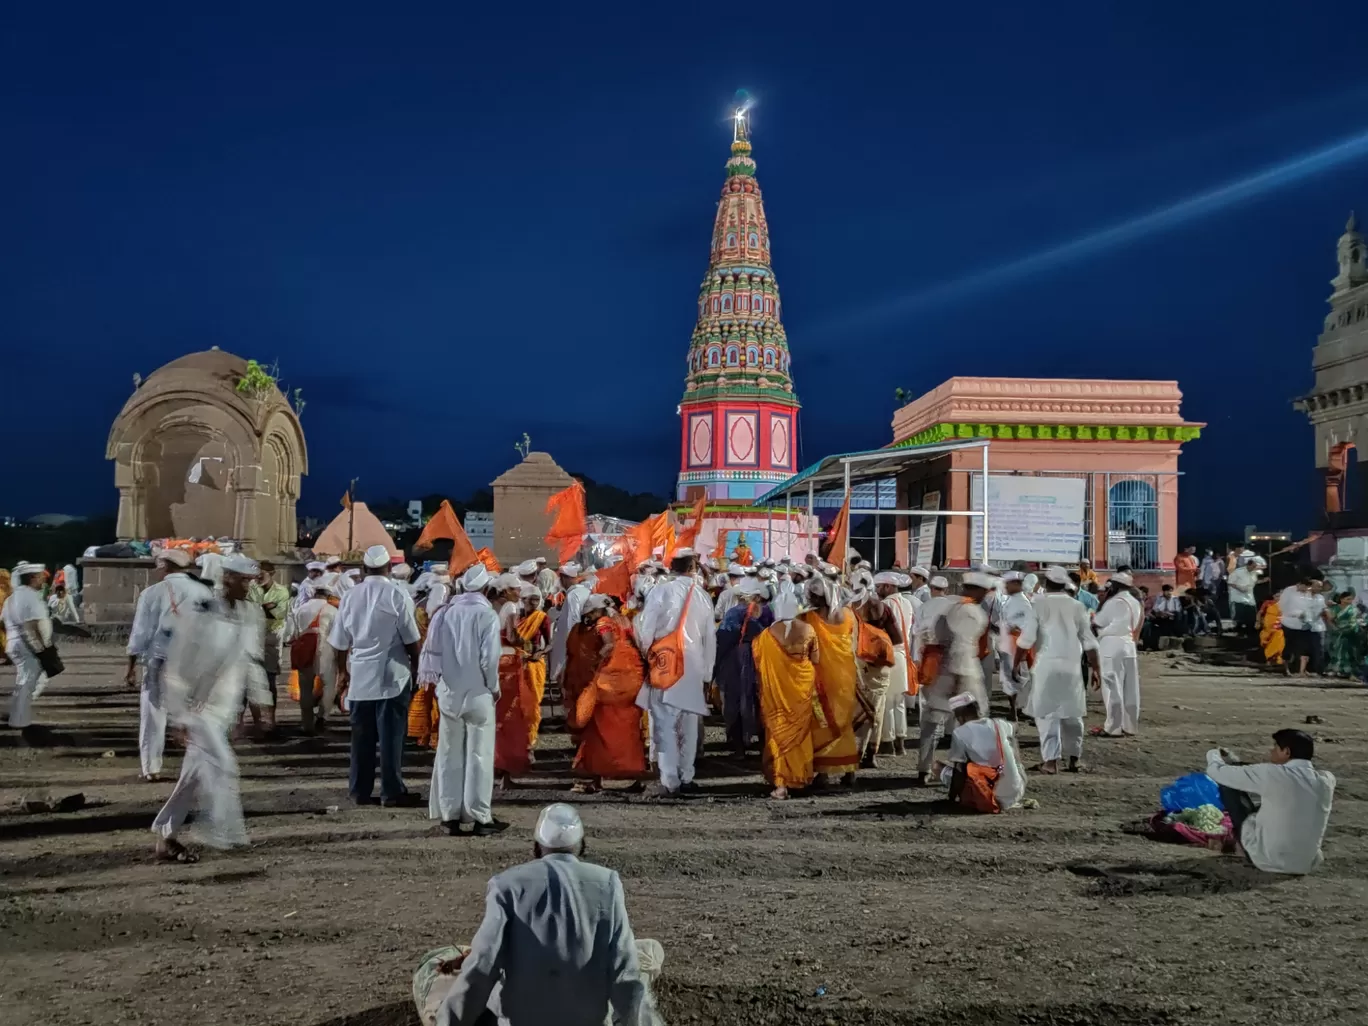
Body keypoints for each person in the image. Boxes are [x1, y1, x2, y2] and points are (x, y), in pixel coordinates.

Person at [432, 804, 660, 1026]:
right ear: (582, 846)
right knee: (650, 950)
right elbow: (625, 975)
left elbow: (482, 967)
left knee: (437, 974)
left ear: (536, 847)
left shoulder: (507, 885)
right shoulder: (607, 883)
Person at [151, 553, 271, 863]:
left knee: (192, 777)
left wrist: (262, 702)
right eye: (243, 579)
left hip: (225, 708)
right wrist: (178, 715)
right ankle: (223, 833)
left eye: (250, 580)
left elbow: (252, 660)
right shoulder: (201, 612)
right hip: (197, 707)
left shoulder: (250, 614)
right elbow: (176, 664)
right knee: (224, 765)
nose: (248, 586)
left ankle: (166, 836)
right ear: (227, 578)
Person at [328, 545, 422, 808]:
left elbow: (339, 643)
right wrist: (417, 667)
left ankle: (359, 790)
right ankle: (391, 791)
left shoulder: (349, 596)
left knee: (361, 738)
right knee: (391, 738)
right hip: (392, 676)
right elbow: (412, 640)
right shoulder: (397, 594)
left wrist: (343, 673)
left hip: (360, 676)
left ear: (363, 569)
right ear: (389, 568)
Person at [423, 563, 507, 836]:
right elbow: (489, 659)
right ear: (485, 588)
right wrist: (494, 688)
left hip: (448, 693)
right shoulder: (486, 615)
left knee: (448, 754)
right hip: (478, 693)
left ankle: (450, 816)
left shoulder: (444, 613)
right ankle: (481, 817)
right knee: (479, 756)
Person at [634, 549, 715, 796]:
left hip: (665, 664)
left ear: (672, 567)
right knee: (689, 726)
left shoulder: (661, 591)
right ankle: (686, 775)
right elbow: (710, 639)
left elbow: (645, 630)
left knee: (665, 724)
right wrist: (707, 675)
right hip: (694, 666)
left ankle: (670, 781)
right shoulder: (702, 596)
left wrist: (649, 655)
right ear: (693, 568)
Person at [126, 548, 210, 780]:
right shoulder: (203, 591)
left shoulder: (152, 593)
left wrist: (131, 665)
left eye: (158, 565)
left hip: (160, 659)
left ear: (165, 566)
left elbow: (140, 633)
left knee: (154, 712)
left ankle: (151, 767)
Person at [1204, 730, 1335, 874]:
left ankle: (1243, 847)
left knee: (1228, 785)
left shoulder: (1272, 773)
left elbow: (1217, 771)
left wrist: (1213, 753)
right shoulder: (1326, 780)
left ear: (1286, 751)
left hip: (1268, 861)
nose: (1271, 751)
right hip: (1305, 864)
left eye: (1275, 747)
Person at [1017, 566, 1100, 774]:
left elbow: (1026, 640)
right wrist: (1096, 669)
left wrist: (1016, 663)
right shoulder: (1077, 606)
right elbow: (1090, 643)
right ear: (1065, 585)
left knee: (1046, 715)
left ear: (1046, 584)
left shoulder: (1037, 604)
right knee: (1073, 713)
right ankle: (1074, 759)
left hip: (1046, 666)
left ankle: (1051, 761)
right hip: (1072, 667)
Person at [914, 573, 992, 785]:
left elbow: (935, 635)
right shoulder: (973, 612)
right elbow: (969, 645)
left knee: (932, 722)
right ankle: (967, 768)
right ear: (976, 590)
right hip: (964, 672)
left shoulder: (949, 608)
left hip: (943, 670)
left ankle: (925, 768)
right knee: (972, 722)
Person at [569, 595, 648, 793]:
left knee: (598, 729)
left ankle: (597, 778)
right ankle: (636, 775)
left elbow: (609, 644)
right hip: (630, 681)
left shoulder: (603, 622)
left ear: (598, 611)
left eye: (590, 614)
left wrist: (595, 663)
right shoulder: (623, 621)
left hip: (610, 684)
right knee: (629, 730)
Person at [752, 591, 817, 799]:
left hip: (776, 695)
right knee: (800, 733)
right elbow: (816, 658)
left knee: (778, 734)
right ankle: (800, 777)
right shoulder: (808, 629)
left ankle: (781, 783)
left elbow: (758, 664)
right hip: (802, 690)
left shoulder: (765, 636)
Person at [799, 576, 860, 788]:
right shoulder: (849, 616)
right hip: (845, 676)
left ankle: (824, 773)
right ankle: (849, 769)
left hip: (820, 679)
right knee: (843, 723)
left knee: (822, 722)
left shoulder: (806, 618)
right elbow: (854, 643)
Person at [933, 692, 1027, 813]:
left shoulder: (960, 733)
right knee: (1011, 742)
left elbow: (959, 772)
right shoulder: (999, 723)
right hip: (1018, 790)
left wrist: (951, 799)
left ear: (959, 716)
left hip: (991, 796)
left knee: (937, 767)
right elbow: (1015, 728)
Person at [714, 578, 773, 758]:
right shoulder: (768, 612)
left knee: (734, 702)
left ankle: (739, 748)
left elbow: (723, 639)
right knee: (761, 702)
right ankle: (764, 747)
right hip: (761, 660)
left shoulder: (733, 613)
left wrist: (714, 666)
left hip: (735, 661)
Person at [850, 579, 902, 769]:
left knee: (857, 710)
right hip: (880, 664)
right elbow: (897, 638)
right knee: (876, 709)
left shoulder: (849, 609)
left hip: (857, 662)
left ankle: (853, 756)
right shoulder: (883, 608)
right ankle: (870, 754)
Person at [2, 562, 55, 741]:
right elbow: (31, 625)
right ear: (32, 578)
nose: (43, 580)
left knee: (24, 680)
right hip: (27, 645)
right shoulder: (30, 597)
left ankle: (15, 715)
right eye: (41, 577)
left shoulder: (12, 597)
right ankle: (19, 721)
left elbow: (2, 621)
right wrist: (42, 649)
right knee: (27, 682)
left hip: (14, 643)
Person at [284, 572, 341, 735]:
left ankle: (307, 723)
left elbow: (290, 636)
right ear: (328, 594)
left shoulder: (300, 608)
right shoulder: (332, 610)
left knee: (306, 687)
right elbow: (338, 636)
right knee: (329, 684)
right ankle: (323, 717)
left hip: (304, 650)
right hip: (326, 650)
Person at [490, 574, 533, 787]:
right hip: (508, 663)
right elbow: (512, 635)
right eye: (515, 589)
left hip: (491, 663)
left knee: (494, 715)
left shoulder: (488, 606)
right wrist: (526, 642)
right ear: (505, 590)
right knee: (510, 716)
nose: (519, 593)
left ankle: (492, 766)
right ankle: (505, 771)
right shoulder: (511, 608)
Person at [1092, 572, 1143, 738]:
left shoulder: (1113, 602)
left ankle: (1113, 727)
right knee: (1130, 687)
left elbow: (1098, 622)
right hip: (1129, 645)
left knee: (1112, 686)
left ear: (1114, 585)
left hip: (1111, 644)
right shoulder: (1135, 602)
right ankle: (1130, 726)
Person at [876, 572, 917, 755]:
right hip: (903, 655)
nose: (877, 591)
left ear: (887, 587)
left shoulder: (885, 605)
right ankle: (900, 741)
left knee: (887, 702)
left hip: (890, 655)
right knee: (899, 701)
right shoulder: (907, 603)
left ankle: (888, 742)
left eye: (879, 587)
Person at [247, 560, 290, 736]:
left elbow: (279, 613)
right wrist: (266, 608)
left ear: (271, 574)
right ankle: (257, 721)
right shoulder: (251, 589)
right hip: (253, 637)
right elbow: (249, 610)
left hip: (272, 638)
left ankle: (270, 720)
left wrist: (259, 609)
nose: (258, 578)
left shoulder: (282, 591)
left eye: (261, 574)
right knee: (251, 681)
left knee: (270, 680)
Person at [994, 571, 1036, 720]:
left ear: (1017, 584)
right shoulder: (1011, 601)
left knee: (1020, 679)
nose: (1006, 586)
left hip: (1018, 647)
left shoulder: (1023, 603)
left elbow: (1026, 628)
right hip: (1008, 646)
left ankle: (1021, 710)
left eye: (1008, 584)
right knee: (1009, 680)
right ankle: (1015, 710)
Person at [516, 587, 552, 751]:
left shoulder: (542, 618)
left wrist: (541, 652)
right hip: (516, 663)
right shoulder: (514, 617)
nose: (532, 603)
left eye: (536, 599)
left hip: (534, 664)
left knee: (533, 703)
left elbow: (550, 643)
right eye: (528, 599)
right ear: (522, 600)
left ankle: (530, 740)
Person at [549, 563, 590, 682]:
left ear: (564, 578)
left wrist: (571, 647)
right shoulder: (585, 591)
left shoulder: (573, 595)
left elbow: (572, 622)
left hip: (571, 644)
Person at [1325, 590, 1364, 677]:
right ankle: (1335, 669)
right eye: (1347, 599)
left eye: (1351, 599)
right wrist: (1335, 628)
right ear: (1341, 599)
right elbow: (1330, 620)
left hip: (1351, 631)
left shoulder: (1353, 609)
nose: (1350, 601)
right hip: (1338, 632)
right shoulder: (1335, 608)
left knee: (1349, 650)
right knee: (1337, 650)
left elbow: (1359, 618)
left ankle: (1347, 670)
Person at [1226, 558, 1262, 636]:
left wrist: (1263, 581)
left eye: (1255, 566)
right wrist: (1240, 588)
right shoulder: (1238, 572)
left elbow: (1254, 582)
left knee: (1252, 614)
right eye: (1253, 566)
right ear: (1248, 565)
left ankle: (1250, 631)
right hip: (1239, 597)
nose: (1254, 568)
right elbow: (1230, 582)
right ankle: (1239, 631)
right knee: (1240, 615)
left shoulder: (1254, 573)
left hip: (1249, 596)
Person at [1257, 592, 1285, 666]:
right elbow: (1260, 613)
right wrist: (1258, 622)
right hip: (1268, 626)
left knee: (1279, 642)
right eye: (1277, 596)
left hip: (1279, 626)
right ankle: (1268, 659)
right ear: (1273, 596)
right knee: (1266, 642)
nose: (1278, 598)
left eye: (1280, 596)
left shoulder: (1285, 605)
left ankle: (1278, 659)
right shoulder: (1267, 603)